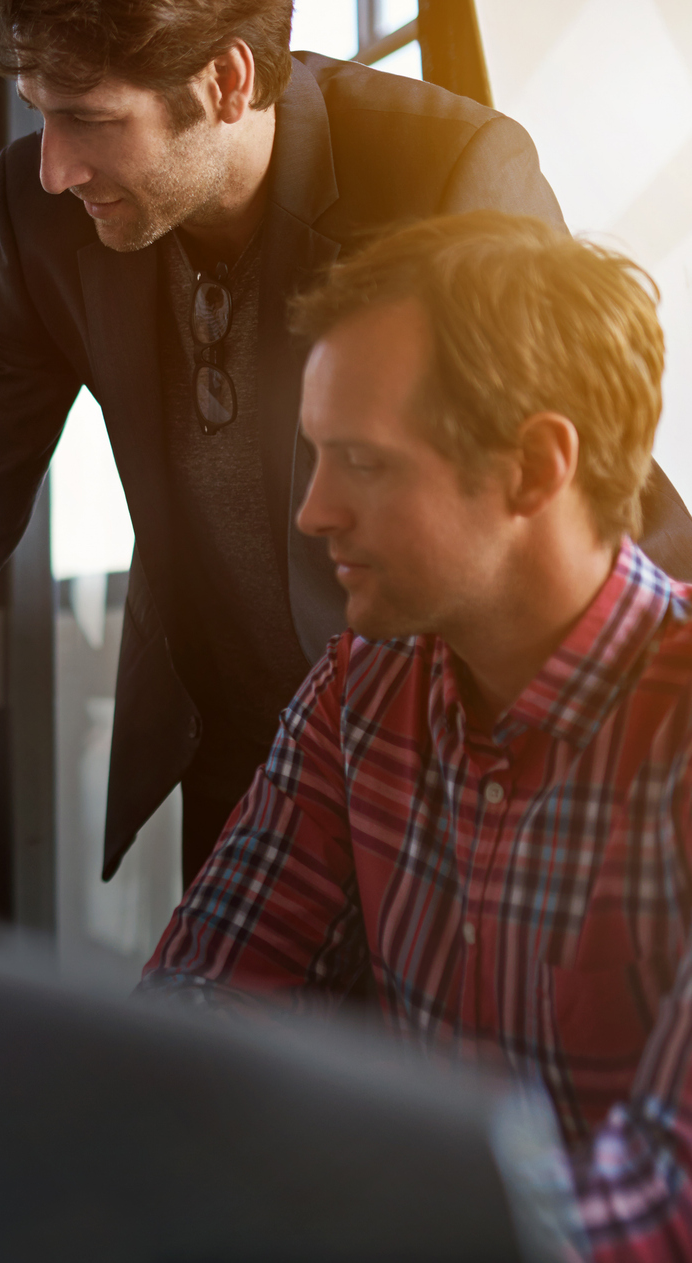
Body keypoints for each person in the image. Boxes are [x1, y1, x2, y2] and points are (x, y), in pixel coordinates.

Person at [0, 0, 692, 900]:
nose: (54, 164)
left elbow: (575, 495)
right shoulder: (39, 211)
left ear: (226, 83)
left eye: (92, 119)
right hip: (242, 755)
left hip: (453, 748)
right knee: (225, 1058)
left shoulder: (443, 168)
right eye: (37, 115)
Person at [142, 212, 692, 1257]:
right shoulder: (366, 688)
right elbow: (205, 992)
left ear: (535, 468)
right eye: (314, 457)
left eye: (361, 462)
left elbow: (668, 1203)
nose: (311, 512)